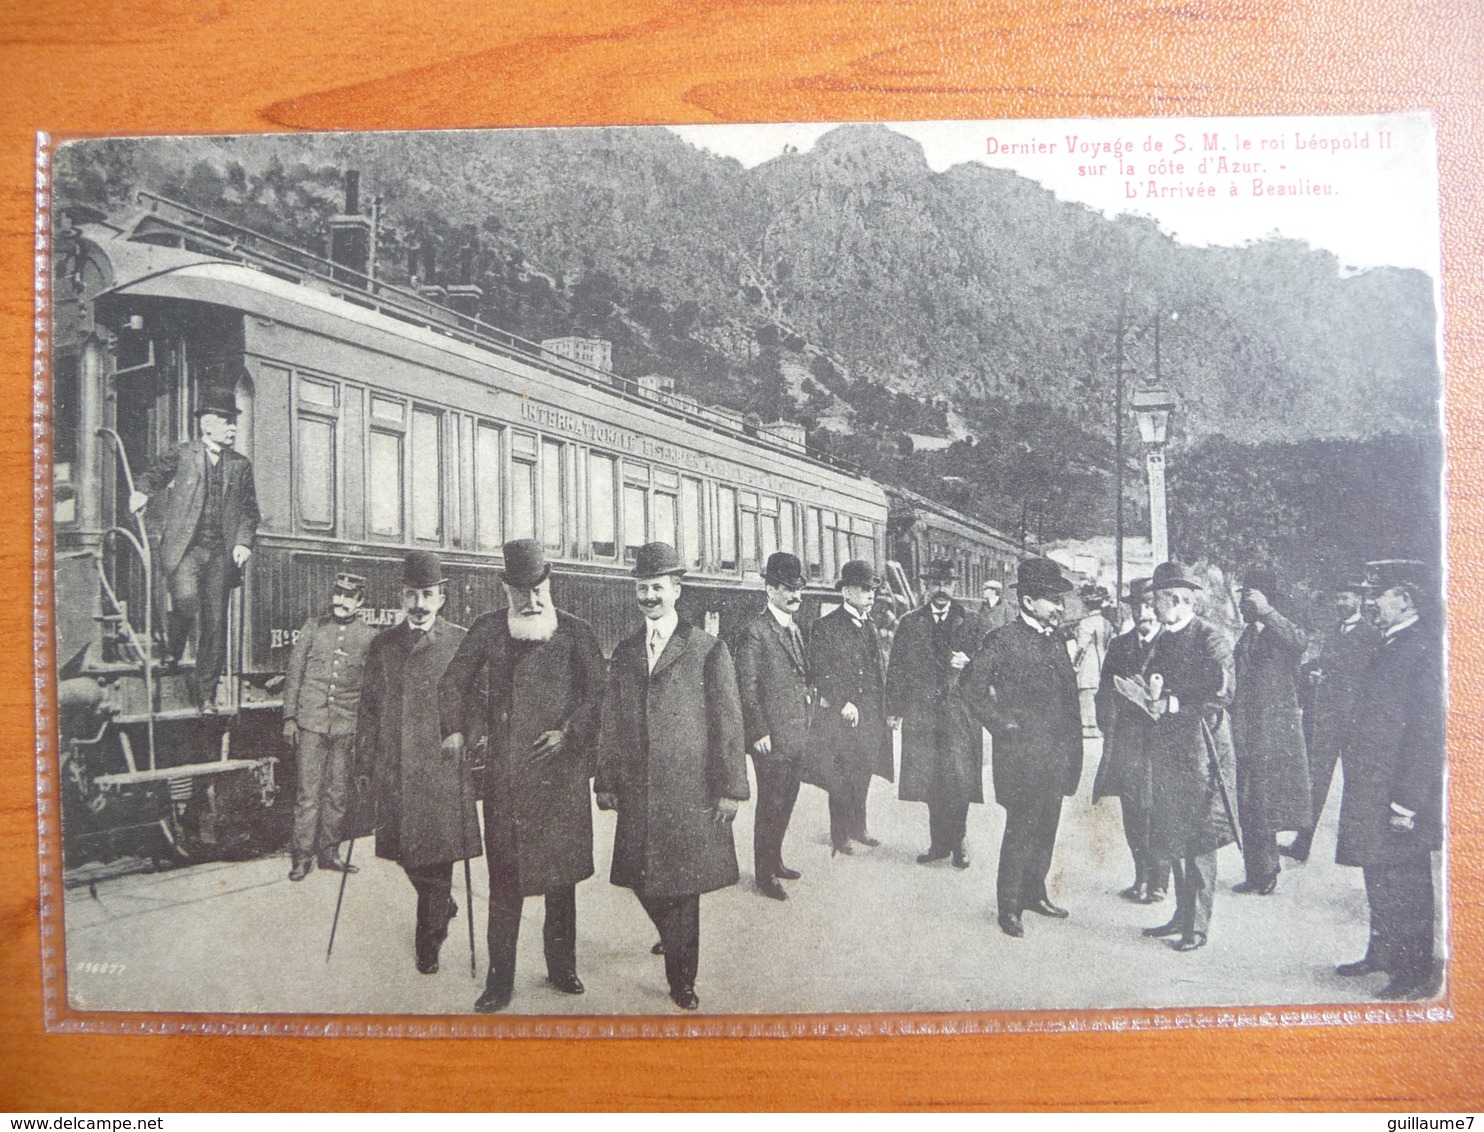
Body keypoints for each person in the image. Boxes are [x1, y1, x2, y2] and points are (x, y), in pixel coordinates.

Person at [438, 540, 606, 1013]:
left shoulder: (576, 632)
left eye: (539, 591)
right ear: (505, 589)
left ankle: (562, 966)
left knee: (561, 882)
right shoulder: (489, 630)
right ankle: (499, 982)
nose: (532, 602)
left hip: (560, 776)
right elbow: (454, 684)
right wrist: (461, 730)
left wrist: (568, 733)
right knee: (505, 885)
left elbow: (599, 695)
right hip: (507, 782)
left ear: (550, 585)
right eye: (521, 593)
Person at [595, 542, 749, 1011]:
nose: (648, 596)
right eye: (641, 588)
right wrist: (605, 779)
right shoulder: (624, 651)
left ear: (676, 589)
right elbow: (612, 719)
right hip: (639, 788)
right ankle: (672, 936)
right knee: (641, 877)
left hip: (689, 789)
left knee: (682, 887)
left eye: (657, 587)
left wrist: (730, 789)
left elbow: (729, 723)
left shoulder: (707, 649)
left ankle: (682, 980)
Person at [355, 550, 481, 976]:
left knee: (436, 855)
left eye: (427, 595)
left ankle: (429, 944)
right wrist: (364, 761)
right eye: (412, 595)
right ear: (401, 597)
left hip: (441, 767)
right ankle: (443, 904)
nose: (419, 604)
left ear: (441, 598)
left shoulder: (462, 641)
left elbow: (478, 700)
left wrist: (466, 733)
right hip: (396, 767)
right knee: (407, 854)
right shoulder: (383, 646)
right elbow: (369, 708)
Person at [1335, 563, 1445, 1000]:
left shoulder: (1420, 650)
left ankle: (1415, 971)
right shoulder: (1391, 643)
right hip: (1373, 784)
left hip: (1398, 790)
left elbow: (1425, 734)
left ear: (1405, 599)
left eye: (1379, 593)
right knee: (1377, 870)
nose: (1371, 600)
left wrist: (1408, 801)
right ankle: (1382, 952)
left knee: (1406, 881)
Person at [961, 557, 1083, 937]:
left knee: (1046, 828)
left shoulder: (1057, 641)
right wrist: (1002, 725)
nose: (1060, 608)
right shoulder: (1002, 641)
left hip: (1056, 757)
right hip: (1021, 757)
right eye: (1053, 601)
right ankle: (1009, 907)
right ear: (1029, 602)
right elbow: (970, 689)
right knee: (1020, 831)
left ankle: (1035, 893)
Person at [129, 384, 260, 711]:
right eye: (227, 420)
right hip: (185, 549)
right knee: (186, 604)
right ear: (207, 424)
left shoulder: (240, 465)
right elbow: (154, 475)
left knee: (214, 624)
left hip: (220, 554)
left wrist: (243, 543)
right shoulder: (182, 452)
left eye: (234, 421)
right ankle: (173, 651)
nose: (233, 427)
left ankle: (205, 695)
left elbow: (249, 510)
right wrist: (142, 493)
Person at [1138, 562, 1239, 953]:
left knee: (1199, 837)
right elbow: (1154, 681)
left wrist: (1172, 702)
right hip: (1168, 746)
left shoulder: (1211, 638)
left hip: (1203, 748)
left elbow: (1222, 691)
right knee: (1172, 830)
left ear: (1178, 599)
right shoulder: (1163, 639)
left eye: (1158, 601)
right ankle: (1181, 916)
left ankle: (1196, 928)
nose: (1152, 609)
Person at [888, 558, 983, 869]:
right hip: (924, 713)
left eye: (947, 583)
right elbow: (897, 667)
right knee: (931, 779)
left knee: (959, 778)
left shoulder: (972, 623)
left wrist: (969, 663)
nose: (941, 590)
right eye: (935, 583)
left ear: (955, 586)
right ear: (925, 586)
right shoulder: (910, 623)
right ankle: (938, 844)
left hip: (959, 714)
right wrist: (894, 709)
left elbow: (989, 668)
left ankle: (959, 842)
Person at [282, 570, 377, 881]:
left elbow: (368, 690)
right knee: (307, 793)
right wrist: (289, 717)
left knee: (337, 792)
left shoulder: (368, 636)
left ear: (360, 601)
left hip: (345, 726)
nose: (341, 601)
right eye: (338, 593)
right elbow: (295, 674)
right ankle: (301, 856)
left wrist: (363, 731)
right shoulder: (314, 627)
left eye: (349, 596)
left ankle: (329, 853)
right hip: (311, 722)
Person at [733, 552, 813, 899]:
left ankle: (775, 860)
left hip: (795, 734)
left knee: (788, 799)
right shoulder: (755, 632)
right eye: (786, 588)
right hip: (771, 738)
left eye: (798, 589)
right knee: (771, 803)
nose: (795, 595)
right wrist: (758, 731)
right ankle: (764, 875)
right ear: (769, 589)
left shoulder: (793, 628)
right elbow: (746, 687)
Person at [1229, 566, 1312, 894]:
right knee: (1248, 797)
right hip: (1248, 725)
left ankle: (1265, 872)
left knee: (1263, 799)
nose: (1242, 603)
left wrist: (1266, 610)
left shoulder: (1280, 630)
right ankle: (1257, 871)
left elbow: (1299, 640)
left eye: (1248, 597)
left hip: (1274, 730)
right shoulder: (1249, 634)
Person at [1284, 577, 1380, 862]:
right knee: (1315, 781)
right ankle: (1303, 843)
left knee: (1358, 784)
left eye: (1346, 598)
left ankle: (1361, 848)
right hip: (1326, 719)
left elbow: (1367, 677)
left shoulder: (1371, 634)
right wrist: (1308, 674)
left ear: (1359, 600)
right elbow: (1323, 663)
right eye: (1339, 598)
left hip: (1355, 722)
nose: (1341, 603)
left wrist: (1328, 677)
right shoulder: (1334, 630)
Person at [802, 559, 893, 856]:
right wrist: (843, 702)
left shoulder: (869, 625)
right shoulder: (826, 627)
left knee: (863, 771)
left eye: (873, 590)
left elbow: (877, 672)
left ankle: (859, 827)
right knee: (840, 776)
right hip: (842, 717)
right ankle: (840, 833)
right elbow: (820, 671)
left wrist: (886, 709)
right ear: (847, 592)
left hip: (869, 716)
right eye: (865, 589)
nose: (871, 595)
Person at [1091, 577, 1171, 904]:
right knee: (1133, 810)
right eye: (1139, 606)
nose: (1145, 613)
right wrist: (1110, 720)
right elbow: (1103, 693)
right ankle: (1140, 874)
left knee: (1161, 810)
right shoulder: (1120, 645)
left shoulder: (1172, 644)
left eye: (1151, 606)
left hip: (1163, 744)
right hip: (1128, 742)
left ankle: (1159, 880)